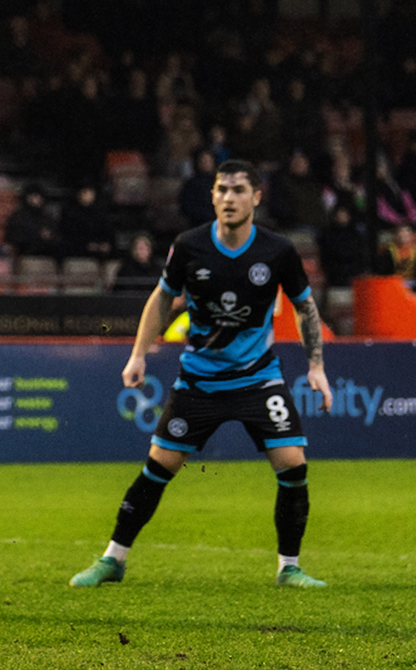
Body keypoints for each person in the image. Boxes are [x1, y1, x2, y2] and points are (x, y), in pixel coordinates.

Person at [69, 159, 333, 590]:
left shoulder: (278, 250)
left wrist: (316, 367)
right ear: (211, 196)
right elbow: (161, 298)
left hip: (257, 378)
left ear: (257, 197)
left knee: (293, 466)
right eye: (222, 190)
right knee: (159, 467)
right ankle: (113, 559)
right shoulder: (189, 245)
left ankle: (289, 567)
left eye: (238, 190)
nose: (229, 198)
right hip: (200, 382)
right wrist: (138, 355)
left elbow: (305, 305)